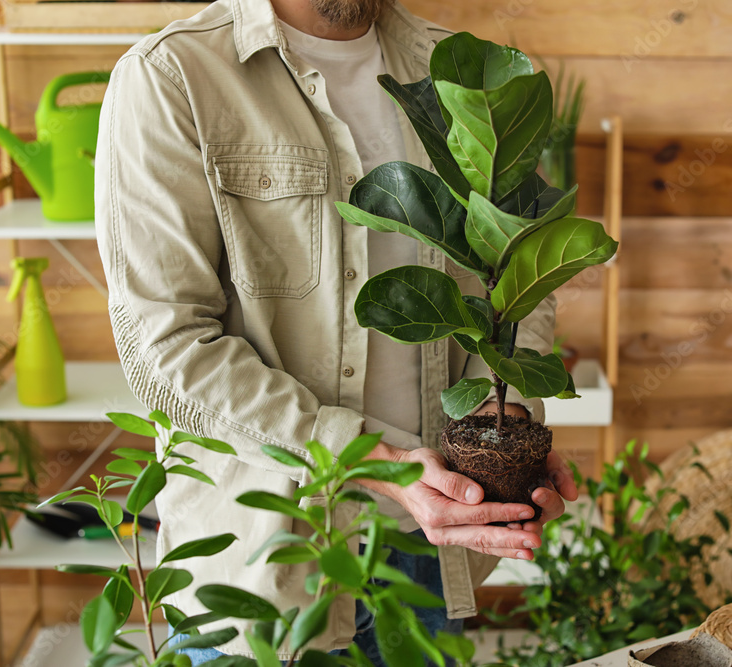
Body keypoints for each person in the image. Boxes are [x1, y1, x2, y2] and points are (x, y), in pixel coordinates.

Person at [95, 0, 577, 663]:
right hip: (267, 570)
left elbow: (521, 269)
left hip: (431, 558)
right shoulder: (173, 77)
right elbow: (169, 351)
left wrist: (507, 418)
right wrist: (381, 466)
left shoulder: (461, 69)